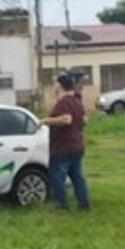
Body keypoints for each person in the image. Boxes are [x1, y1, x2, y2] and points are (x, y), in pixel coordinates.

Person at [40, 72, 90, 211]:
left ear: (60, 86)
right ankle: (83, 204)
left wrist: (44, 121)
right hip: (77, 145)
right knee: (78, 178)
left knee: (57, 178)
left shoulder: (63, 102)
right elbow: (85, 121)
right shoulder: (77, 101)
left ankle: (62, 206)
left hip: (62, 147)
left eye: (55, 84)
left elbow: (66, 119)